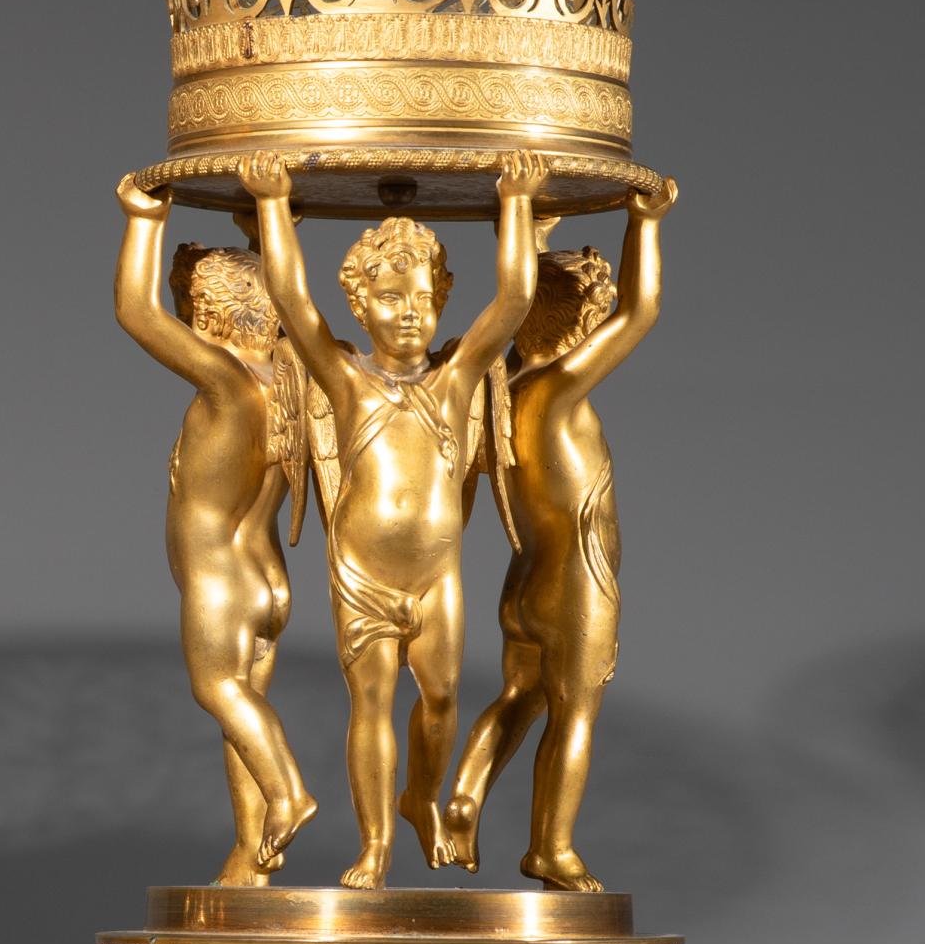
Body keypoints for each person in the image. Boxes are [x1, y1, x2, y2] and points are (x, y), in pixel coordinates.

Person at [248, 149, 544, 887]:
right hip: (363, 578)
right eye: (389, 299)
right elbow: (291, 301)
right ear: (360, 306)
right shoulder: (345, 382)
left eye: (421, 298)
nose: (409, 313)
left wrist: (516, 201)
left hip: (437, 578)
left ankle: (421, 797)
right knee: (371, 703)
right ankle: (374, 845)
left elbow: (513, 300)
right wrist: (273, 204)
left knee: (441, 700)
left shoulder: (456, 379)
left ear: (441, 298)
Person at [445, 181, 673, 890]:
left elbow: (515, 296)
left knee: (520, 695)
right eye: (593, 317)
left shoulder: (503, 386)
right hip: (578, 580)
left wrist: (527, 228)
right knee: (575, 713)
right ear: (581, 325)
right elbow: (642, 309)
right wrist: (645, 224)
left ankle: (466, 792)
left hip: (525, 579)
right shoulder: (562, 388)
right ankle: (552, 848)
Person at [110, 175, 316, 882]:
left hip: (220, 578)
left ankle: (288, 793)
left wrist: (143, 220)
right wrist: (268, 221)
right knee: (244, 711)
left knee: (218, 692)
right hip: (268, 578)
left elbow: (135, 311)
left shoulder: (228, 385)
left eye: (189, 311)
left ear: (209, 314)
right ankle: (251, 859)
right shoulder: (288, 379)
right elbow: (292, 298)